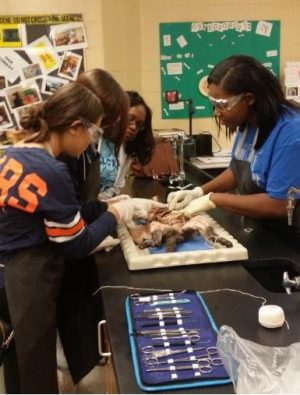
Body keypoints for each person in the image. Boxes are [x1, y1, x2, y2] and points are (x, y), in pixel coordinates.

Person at [0, 82, 165, 393]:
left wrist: (108, 205)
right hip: (27, 272)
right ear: (76, 126)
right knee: (36, 364)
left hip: (10, 267)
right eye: (95, 133)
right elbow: (77, 244)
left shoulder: (18, 151)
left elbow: (67, 209)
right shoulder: (53, 169)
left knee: (24, 357)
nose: (93, 142)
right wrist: (118, 214)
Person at [168, 55, 300, 227]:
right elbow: (238, 170)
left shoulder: (290, 133)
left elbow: (279, 204)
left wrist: (214, 199)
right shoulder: (249, 123)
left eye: (223, 105)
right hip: (261, 227)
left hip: (289, 239)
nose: (216, 112)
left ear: (249, 99)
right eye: (213, 104)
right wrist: (199, 192)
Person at [61, 68, 129, 202]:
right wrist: (113, 212)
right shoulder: (57, 161)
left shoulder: (87, 149)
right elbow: (70, 215)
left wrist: (107, 206)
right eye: (98, 126)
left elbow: (85, 203)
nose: (96, 135)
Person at [98, 90, 155, 200]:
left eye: (139, 125)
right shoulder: (95, 138)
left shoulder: (126, 149)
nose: (134, 127)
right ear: (116, 114)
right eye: (130, 119)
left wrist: (115, 202)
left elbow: (115, 187)